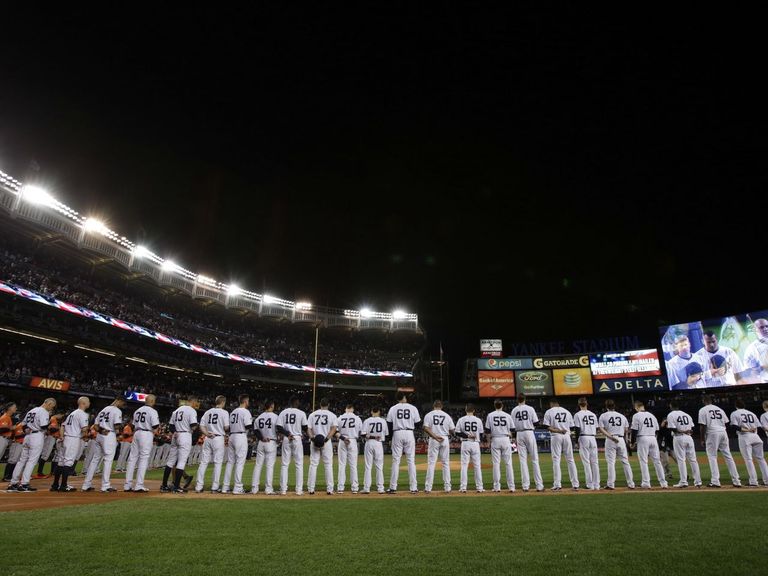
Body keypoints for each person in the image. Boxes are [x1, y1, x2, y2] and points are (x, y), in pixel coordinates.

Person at [7, 398, 57, 492]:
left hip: (28, 436)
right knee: (31, 461)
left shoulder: (32, 410)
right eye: (51, 406)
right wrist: (49, 424)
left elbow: (23, 425)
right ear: (49, 403)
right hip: (37, 436)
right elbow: (43, 426)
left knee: (21, 460)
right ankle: (24, 483)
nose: (51, 409)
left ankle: (13, 483)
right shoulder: (43, 412)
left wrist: (28, 430)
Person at [81, 396, 126, 493]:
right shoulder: (117, 411)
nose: (123, 405)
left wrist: (102, 430)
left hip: (99, 436)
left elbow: (95, 425)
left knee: (95, 460)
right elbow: (116, 425)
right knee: (108, 460)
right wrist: (118, 434)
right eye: (123, 403)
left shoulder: (104, 409)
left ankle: (86, 484)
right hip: (109, 435)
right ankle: (105, 486)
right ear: (119, 400)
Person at [698, 395, 741, 488]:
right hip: (723, 431)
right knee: (728, 456)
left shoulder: (703, 410)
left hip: (712, 432)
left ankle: (715, 481)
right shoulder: (720, 409)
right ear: (711, 401)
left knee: (712, 456)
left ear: (703, 401)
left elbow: (702, 426)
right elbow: (726, 422)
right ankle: (737, 481)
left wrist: (702, 439)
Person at [51, 397, 90, 492]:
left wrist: (61, 436)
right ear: (84, 403)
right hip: (73, 439)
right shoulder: (82, 414)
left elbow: (62, 426)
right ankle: (63, 485)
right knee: (68, 462)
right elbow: (84, 430)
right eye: (88, 402)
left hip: (65, 438)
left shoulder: (72, 413)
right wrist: (86, 437)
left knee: (61, 462)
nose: (89, 403)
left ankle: (55, 485)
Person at [161, 398, 199, 493]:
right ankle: (176, 486)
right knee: (181, 462)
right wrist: (195, 429)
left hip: (175, 435)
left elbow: (170, 426)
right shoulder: (191, 410)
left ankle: (164, 485)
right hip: (185, 435)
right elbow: (193, 425)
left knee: (170, 462)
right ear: (192, 402)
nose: (196, 404)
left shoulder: (176, 410)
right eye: (196, 402)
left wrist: (175, 432)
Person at [386, 391, 421, 494]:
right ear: (404, 397)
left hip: (397, 433)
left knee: (396, 461)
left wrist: (389, 439)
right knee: (411, 460)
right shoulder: (412, 408)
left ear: (397, 399)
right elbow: (418, 423)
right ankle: (413, 488)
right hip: (409, 432)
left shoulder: (393, 408)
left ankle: (393, 487)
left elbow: (389, 424)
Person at [124, 395, 161, 493]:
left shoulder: (137, 410)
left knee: (132, 459)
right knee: (144, 458)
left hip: (137, 433)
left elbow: (133, 424)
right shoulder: (152, 411)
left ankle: (127, 485)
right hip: (146, 433)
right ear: (152, 401)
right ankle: (139, 485)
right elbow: (155, 425)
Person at [194, 395, 229, 493]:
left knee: (204, 462)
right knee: (217, 463)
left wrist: (206, 434)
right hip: (218, 438)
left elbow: (201, 425)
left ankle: (198, 486)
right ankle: (214, 487)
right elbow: (226, 427)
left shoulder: (208, 412)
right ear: (223, 402)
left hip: (208, 438)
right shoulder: (224, 412)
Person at [730, 398, 768, 487]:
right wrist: (752, 429)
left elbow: (734, 427)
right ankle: (767, 481)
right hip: (756, 437)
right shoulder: (752, 413)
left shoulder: (735, 413)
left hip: (745, 437)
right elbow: (758, 426)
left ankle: (753, 482)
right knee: (761, 459)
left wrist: (746, 429)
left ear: (736, 406)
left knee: (748, 459)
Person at [630, 401, 668, 489]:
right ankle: (663, 483)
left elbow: (634, 430)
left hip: (643, 438)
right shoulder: (652, 415)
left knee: (643, 461)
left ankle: (646, 482)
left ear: (636, 407)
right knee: (657, 461)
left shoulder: (637, 415)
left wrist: (632, 442)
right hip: (653, 438)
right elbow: (657, 429)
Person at [597, 399, 634, 490]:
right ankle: (631, 484)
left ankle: (611, 484)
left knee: (611, 462)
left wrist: (610, 436)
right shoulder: (622, 416)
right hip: (621, 439)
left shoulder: (603, 415)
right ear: (614, 406)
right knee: (625, 462)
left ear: (606, 407)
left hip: (610, 439)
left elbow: (601, 429)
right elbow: (626, 430)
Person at [510, 394, 544, 492]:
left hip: (519, 434)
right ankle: (539, 486)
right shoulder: (530, 408)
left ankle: (525, 486)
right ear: (525, 399)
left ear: (517, 400)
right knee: (534, 459)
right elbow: (536, 423)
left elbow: (512, 426)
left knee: (522, 460)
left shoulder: (514, 410)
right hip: (529, 432)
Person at [665, 400, 701, 488]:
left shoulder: (671, 415)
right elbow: (692, 428)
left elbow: (672, 429)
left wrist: (682, 431)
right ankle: (698, 482)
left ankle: (683, 481)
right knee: (693, 460)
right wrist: (687, 431)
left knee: (681, 460)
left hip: (679, 437)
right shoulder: (686, 415)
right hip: (689, 438)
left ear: (671, 406)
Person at [422, 399, 455, 494]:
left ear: (433, 406)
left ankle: (428, 487)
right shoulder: (447, 416)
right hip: (444, 439)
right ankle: (447, 487)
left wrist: (435, 436)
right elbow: (453, 430)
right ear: (442, 406)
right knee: (445, 463)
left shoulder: (429, 414)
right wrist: (446, 432)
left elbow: (426, 428)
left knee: (431, 463)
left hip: (434, 438)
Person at [276, 396, 308, 496]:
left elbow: (279, 427)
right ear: (296, 403)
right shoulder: (301, 413)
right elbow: (305, 427)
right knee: (299, 464)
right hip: (297, 438)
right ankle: (298, 490)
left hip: (287, 438)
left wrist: (287, 433)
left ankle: (283, 490)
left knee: (285, 464)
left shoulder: (283, 412)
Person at [222, 395, 252, 495]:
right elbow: (248, 425)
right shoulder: (245, 411)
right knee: (240, 462)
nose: (248, 402)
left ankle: (225, 487)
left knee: (230, 462)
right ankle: (237, 487)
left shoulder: (233, 411)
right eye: (248, 401)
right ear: (245, 401)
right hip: (240, 436)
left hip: (232, 436)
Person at [306, 398, 338, 495]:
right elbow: (334, 429)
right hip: (326, 441)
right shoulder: (332, 415)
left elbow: (308, 429)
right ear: (328, 405)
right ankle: (330, 489)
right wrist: (326, 440)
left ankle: (311, 489)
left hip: (315, 441)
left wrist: (312, 439)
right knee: (328, 465)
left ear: (320, 404)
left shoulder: (312, 414)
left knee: (313, 465)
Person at [483, 399, 516, 492]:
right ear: (502, 406)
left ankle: (497, 487)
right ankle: (511, 487)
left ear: (494, 405)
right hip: (505, 439)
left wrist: (489, 441)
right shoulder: (507, 415)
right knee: (508, 463)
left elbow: (487, 431)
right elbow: (513, 429)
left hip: (495, 439)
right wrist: (509, 434)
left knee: (496, 464)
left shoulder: (490, 415)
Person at [455, 404, 484, 493]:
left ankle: (463, 487)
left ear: (465, 410)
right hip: (475, 443)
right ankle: (479, 487)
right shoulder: (478, 420)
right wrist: (476, 438)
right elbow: (482, 434)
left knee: (464, 466)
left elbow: (457, 433)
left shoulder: (461, 419)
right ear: (474, 410)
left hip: (465, 443)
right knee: (477, 466)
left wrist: (467, 435)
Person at [251, 400, 278, 494]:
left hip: (261, 443)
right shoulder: (275, 416)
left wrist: (262, 438)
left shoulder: (259, 417)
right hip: (271, 441)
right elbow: (279, 429)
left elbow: (255, 430)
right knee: (269, 466)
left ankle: (254, 488)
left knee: (258, 465)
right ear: (271, 406)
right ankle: (268, 489)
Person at [335, 403, 363, 494]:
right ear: (353, 409)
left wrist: (343, 438)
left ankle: (340, 488)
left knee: (342, 465)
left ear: (345, 409)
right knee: (353, 465)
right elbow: (361, 432)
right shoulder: (357, 418)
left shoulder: (339, 418)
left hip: (342, 440)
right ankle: (355, 488)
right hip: (352, 440)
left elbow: (335, 432)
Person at [573, 397, 600, 490]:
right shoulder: (593, 414)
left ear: (579, 404)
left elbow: (577, 429)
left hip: (584, 437)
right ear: (587, 404)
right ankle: (597, 485)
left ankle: (590, 484)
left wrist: (576, 441)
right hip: (593, 437)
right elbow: (596, 427)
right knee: (595, 462)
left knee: (586, 462)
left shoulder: (577, 414)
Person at [361, 407, 388, 494]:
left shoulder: (367, 420)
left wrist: (371, 436)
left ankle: (366, 488)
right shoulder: (383, 421)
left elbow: (363, 434)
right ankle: (380, 488)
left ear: (371, 411)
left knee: (368, 466)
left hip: (369, 443)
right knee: (379, 467)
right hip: (378, 444)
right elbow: (386, 434)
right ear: (379, 412)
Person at [743, 317, 768, 382]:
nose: (765, 329)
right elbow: (749, 371)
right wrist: (761, 368)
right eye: (761, 327)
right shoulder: (751, 348)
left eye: (767, 326)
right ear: (755, 329)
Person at [0, 403, 17, 470]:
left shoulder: (8, 417)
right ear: (9, 408)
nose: (16, 409)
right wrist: (11, 428)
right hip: (1, 439)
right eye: (14, 407)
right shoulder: (5, 417)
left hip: (5, 439)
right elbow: (1, 430)